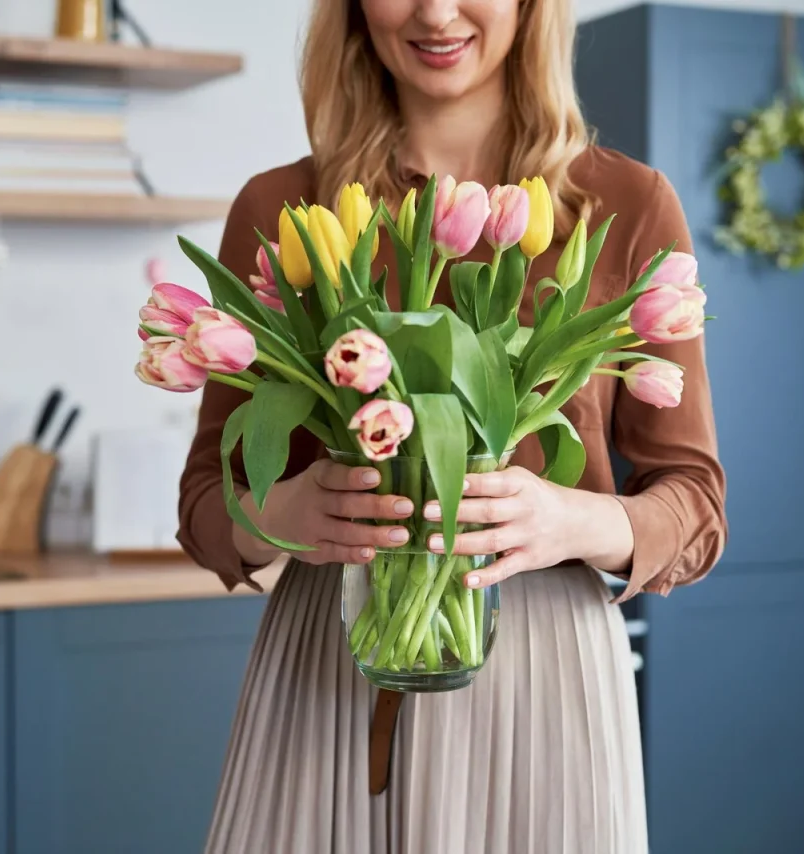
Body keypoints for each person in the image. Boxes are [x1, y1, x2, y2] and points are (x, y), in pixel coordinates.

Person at [177, 0, 727, 851]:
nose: (435, 13)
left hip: (543, 674)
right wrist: (278, 517)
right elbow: (207, 500)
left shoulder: (624, 203)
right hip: (330, 661)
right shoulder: (286, 210)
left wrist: (567, 516)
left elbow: (695, 504)